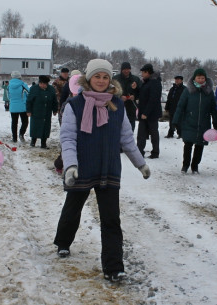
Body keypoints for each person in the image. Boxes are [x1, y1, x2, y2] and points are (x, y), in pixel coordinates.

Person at [53, 59, 151, 282]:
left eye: (105, 77)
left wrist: (140, 163)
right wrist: (70, 165)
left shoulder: (116, 105)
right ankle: (63, 242)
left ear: (110, 80)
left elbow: (126, 138)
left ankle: (113, 267)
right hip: (82, 167)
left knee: (111, 219)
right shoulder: (74, 105)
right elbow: (67, 138)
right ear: (89, 78)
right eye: (97, 76)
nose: (101, 80)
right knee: (72, 209)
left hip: (108, 169)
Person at [172, 68, 217, 174]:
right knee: (187, 145)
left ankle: (195, 166)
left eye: (202, 78)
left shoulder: (209, 92)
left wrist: (216, 120)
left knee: (199, 146)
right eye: (198, 78)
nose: (201, 80)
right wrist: (175, 121)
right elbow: (180, 106)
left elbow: (213, 107)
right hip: (189, 122)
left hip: (204, 123)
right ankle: (185, 165)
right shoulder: (188, 90)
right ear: (194, 78)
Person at [54, 69, 82, 174]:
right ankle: (60, 165)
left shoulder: (83, 99)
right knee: (68, 147)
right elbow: (61, 102)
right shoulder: (69, 103)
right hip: (69, 126)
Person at [137, 63, 162, 158]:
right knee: (141, 134)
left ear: (148, 72)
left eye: (143, 72)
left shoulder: (154, 82)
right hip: (143, 113)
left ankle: (155, 152)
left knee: (153, 133)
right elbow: (143, 95)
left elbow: (153, 99)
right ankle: (139, 151)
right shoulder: (146, 82)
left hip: (152, 114)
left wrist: (146, 113)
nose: (142, 74)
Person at [26, 75, 58, 148]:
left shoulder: (51, 89)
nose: (43, 85)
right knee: (35, 126)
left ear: (47, 84)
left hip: (47, 112)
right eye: (41, 84)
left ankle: (43, 143)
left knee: (45, 127)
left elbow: (54, 100)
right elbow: (29, 101)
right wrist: (28, 110)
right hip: (36, 111)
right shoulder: (34, 89)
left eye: (44, 84)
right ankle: (33, 141)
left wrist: (55, 109)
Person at [113, 62, 141, 131]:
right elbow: (110, 92)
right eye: (124, 69)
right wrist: (119, 97)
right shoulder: (115, 79)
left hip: (131, 107)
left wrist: (135, 96)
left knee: (131, 126)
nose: (126, 71)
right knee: (118, 126)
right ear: (121, 70)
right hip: (118, 107)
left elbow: (141, 91)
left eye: (128, 69)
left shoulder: (136, 79)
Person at [7, 71, 30, 143]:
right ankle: (21, 134)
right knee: (25, 122)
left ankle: (14, 138)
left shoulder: (9, 86)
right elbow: (29, 93)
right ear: (20, 77)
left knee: (14, 122)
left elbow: (8, 96)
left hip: (13, 107)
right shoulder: (23, 85)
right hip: (23, 107)